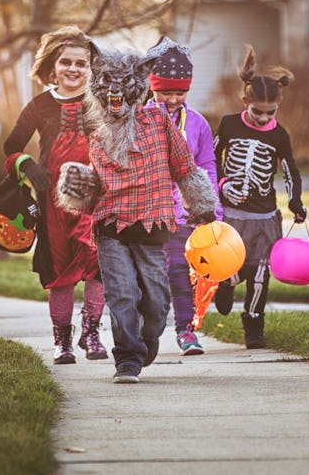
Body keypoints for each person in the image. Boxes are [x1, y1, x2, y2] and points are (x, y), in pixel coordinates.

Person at [55, 41, 217, 383]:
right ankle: (127, 359)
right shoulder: (97, 132)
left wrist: (203, 208)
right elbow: (97, 184)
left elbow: (185, 167)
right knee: (122, 294)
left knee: (157, 304)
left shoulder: (158, 120)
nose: (115, 95)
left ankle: (146, 341)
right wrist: (78, 186)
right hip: (111, 227)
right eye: (107, 87)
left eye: (122, 87)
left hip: (153, 225)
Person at [3, 26, 107, 365]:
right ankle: (61, 340)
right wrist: (27, 166)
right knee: (59, 271)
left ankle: (91, 332)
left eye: (82, 63)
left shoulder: (102, 101)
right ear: (53, 67)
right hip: (53, 203)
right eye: (66, 63)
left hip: (96, 198)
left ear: (91, 68)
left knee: (97, 267)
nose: (74, 70)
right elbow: (11, 146)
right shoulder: (39, 106)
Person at [212, 45, 307, 349]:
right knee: (232, 266)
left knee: (260, 272)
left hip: (264, 217)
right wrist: (222, 184)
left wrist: (296, 202)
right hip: (231, 215)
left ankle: (254, 323)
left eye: (271, 113)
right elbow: (210, 160)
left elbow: (290, 170)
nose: (264, 118)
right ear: (245, 101)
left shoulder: (279, 135)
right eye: (257, 112)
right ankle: (225, 285)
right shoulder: (228, 124)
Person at [145, 36, 222, 356]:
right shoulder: (140, 119)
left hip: (183, 216)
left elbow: (206, 167)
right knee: (148, 280)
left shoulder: (199, 124)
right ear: (152, 87)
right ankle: (145, 332)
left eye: (179, 92)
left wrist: (210, 210)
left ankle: (185, 331)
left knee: (179, 272)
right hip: (147, 215)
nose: (172, 99)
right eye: (165, 92)